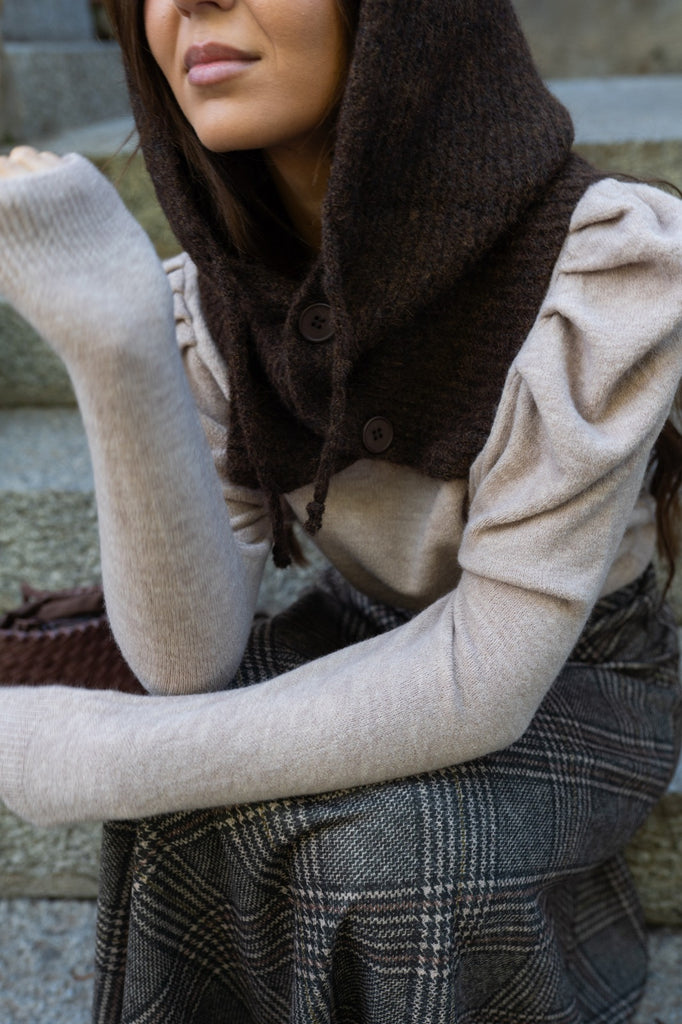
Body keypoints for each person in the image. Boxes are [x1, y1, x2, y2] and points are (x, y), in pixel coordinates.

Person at [0, 0, 681, 1020]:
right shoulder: (219, 296)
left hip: (578, 674)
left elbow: (487, 677)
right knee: (187, 813)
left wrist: (109, 755)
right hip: (357, 622)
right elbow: (186, 663)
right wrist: (116, 342)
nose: (192, 2)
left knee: (387, 856)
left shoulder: (601, 266)